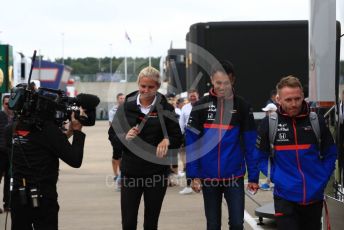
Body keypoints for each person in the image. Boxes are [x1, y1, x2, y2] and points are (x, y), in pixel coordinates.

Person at [255, 75, 337, 230]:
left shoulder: (316, 121)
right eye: (288, 100)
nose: (294, 104)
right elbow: (259, 157)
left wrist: (322, 177)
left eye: (297, 99)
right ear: (278, 99)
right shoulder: (269, 124)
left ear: (303, 97)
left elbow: (331, 153)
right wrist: (277, 177)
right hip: (285, 198)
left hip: (314, 197)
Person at [186, 60, 259, 230]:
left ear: (232, 81)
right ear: (212, 79)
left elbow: (250, 145)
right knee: (212, 225)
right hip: (208, 176)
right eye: (218, 82)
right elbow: (192, 144)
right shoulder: (199, 106)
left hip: (234, 176)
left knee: (236, 224)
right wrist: (193, 175)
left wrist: (254, 177)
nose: (222, 87)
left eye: (226, 83)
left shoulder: (242, 106)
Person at [112, 66, 182, 230]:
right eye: (143, 86)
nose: (146, 90)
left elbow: (178, 137)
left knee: (151, 223)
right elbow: (112, 135)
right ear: (138, 85)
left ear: (157, 87)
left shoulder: (166, 108)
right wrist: (124, 137)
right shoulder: (126, 107)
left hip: (156, 173)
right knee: (128, 223)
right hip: (131, 172)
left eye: (151, 87)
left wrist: (167, 140)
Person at [7, 101, 86, 229]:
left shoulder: (12, 129)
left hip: (18, 196)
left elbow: (40, 144)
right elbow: (75, 160)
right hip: (43, 198)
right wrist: (77, 131)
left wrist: (65, 135)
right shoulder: (48, 130)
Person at [179, 89, 199, 195]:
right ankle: (188, 186)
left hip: (203, 137)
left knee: (204, 161)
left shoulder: (203, 106)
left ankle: (206, 184)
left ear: (198, 96)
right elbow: (181, 124)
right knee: (189, 162)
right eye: (191, 96)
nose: (193, 97)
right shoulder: (185, 108)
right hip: (190, 138)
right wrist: (181, 138)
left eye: (194, 96)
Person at [108, 93, 125, 190]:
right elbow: (111, 124)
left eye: (123, 98)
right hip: (116, 135)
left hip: (125, 135)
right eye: (121, 98)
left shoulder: (128, 109)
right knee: (116, 156)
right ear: (117, 99)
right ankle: (116, 174)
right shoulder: (113, 110)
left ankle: (121, 176)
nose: (122, 99)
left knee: (123, 156)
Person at [0, 95, 13, 213]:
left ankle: (7, 204)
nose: (8, 106)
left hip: (12, 153)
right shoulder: (0, 116)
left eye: (10, 103)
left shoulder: (17, 117)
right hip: (0, 152)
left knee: (9, 180)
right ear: (3, 104)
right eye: (6, 103)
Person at [259, 102, 277, 191]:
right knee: (272, 165)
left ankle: (275, 181)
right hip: (273, 149)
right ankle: (269, 182)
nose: (266, 113)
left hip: (268, 149)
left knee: (265, 165)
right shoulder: (279, 120)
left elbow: (261, 134)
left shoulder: (267, 120)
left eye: (268, 111)